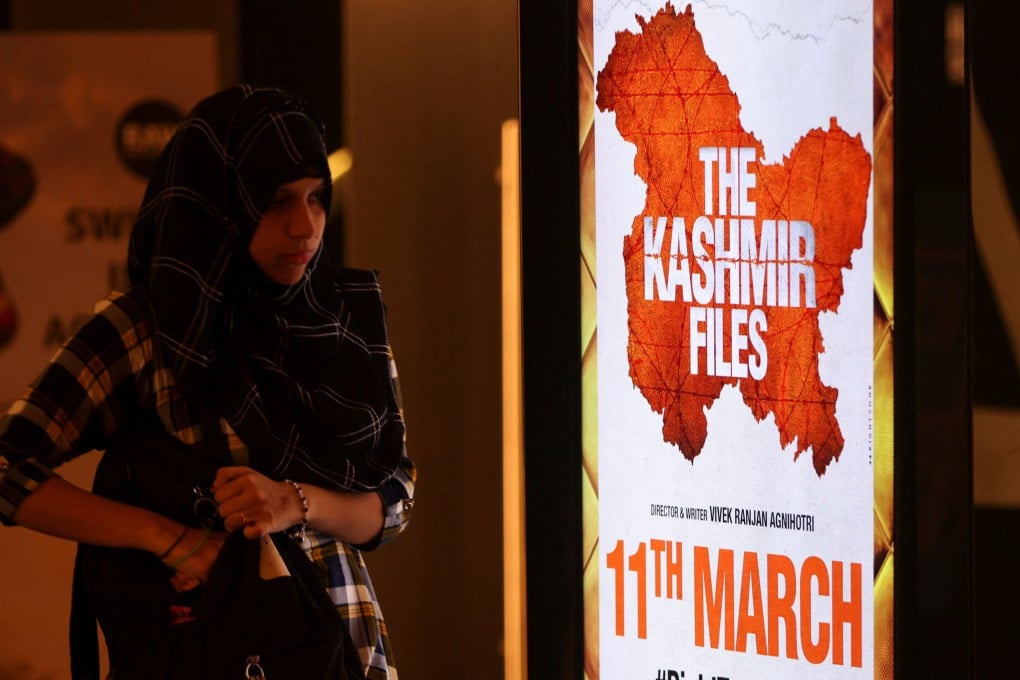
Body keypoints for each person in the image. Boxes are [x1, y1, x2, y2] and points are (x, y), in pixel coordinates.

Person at [0, 84, 415, 679]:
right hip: (217, 650)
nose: (305, 226)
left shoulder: (344, 320)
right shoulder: (150, 326)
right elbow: (8, 466)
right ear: (219, 203)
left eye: (317, 198)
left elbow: (394, 503)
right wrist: (167, 537)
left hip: (347, 647)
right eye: (275, 201)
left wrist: (293, 502)